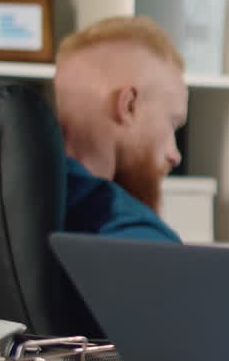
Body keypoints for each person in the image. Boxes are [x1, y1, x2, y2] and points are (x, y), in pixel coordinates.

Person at [53, 16, 187, 242]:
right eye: (171, 123)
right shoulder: (134, 235)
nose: (175, 155)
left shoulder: (3, 196)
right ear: (128, 106)